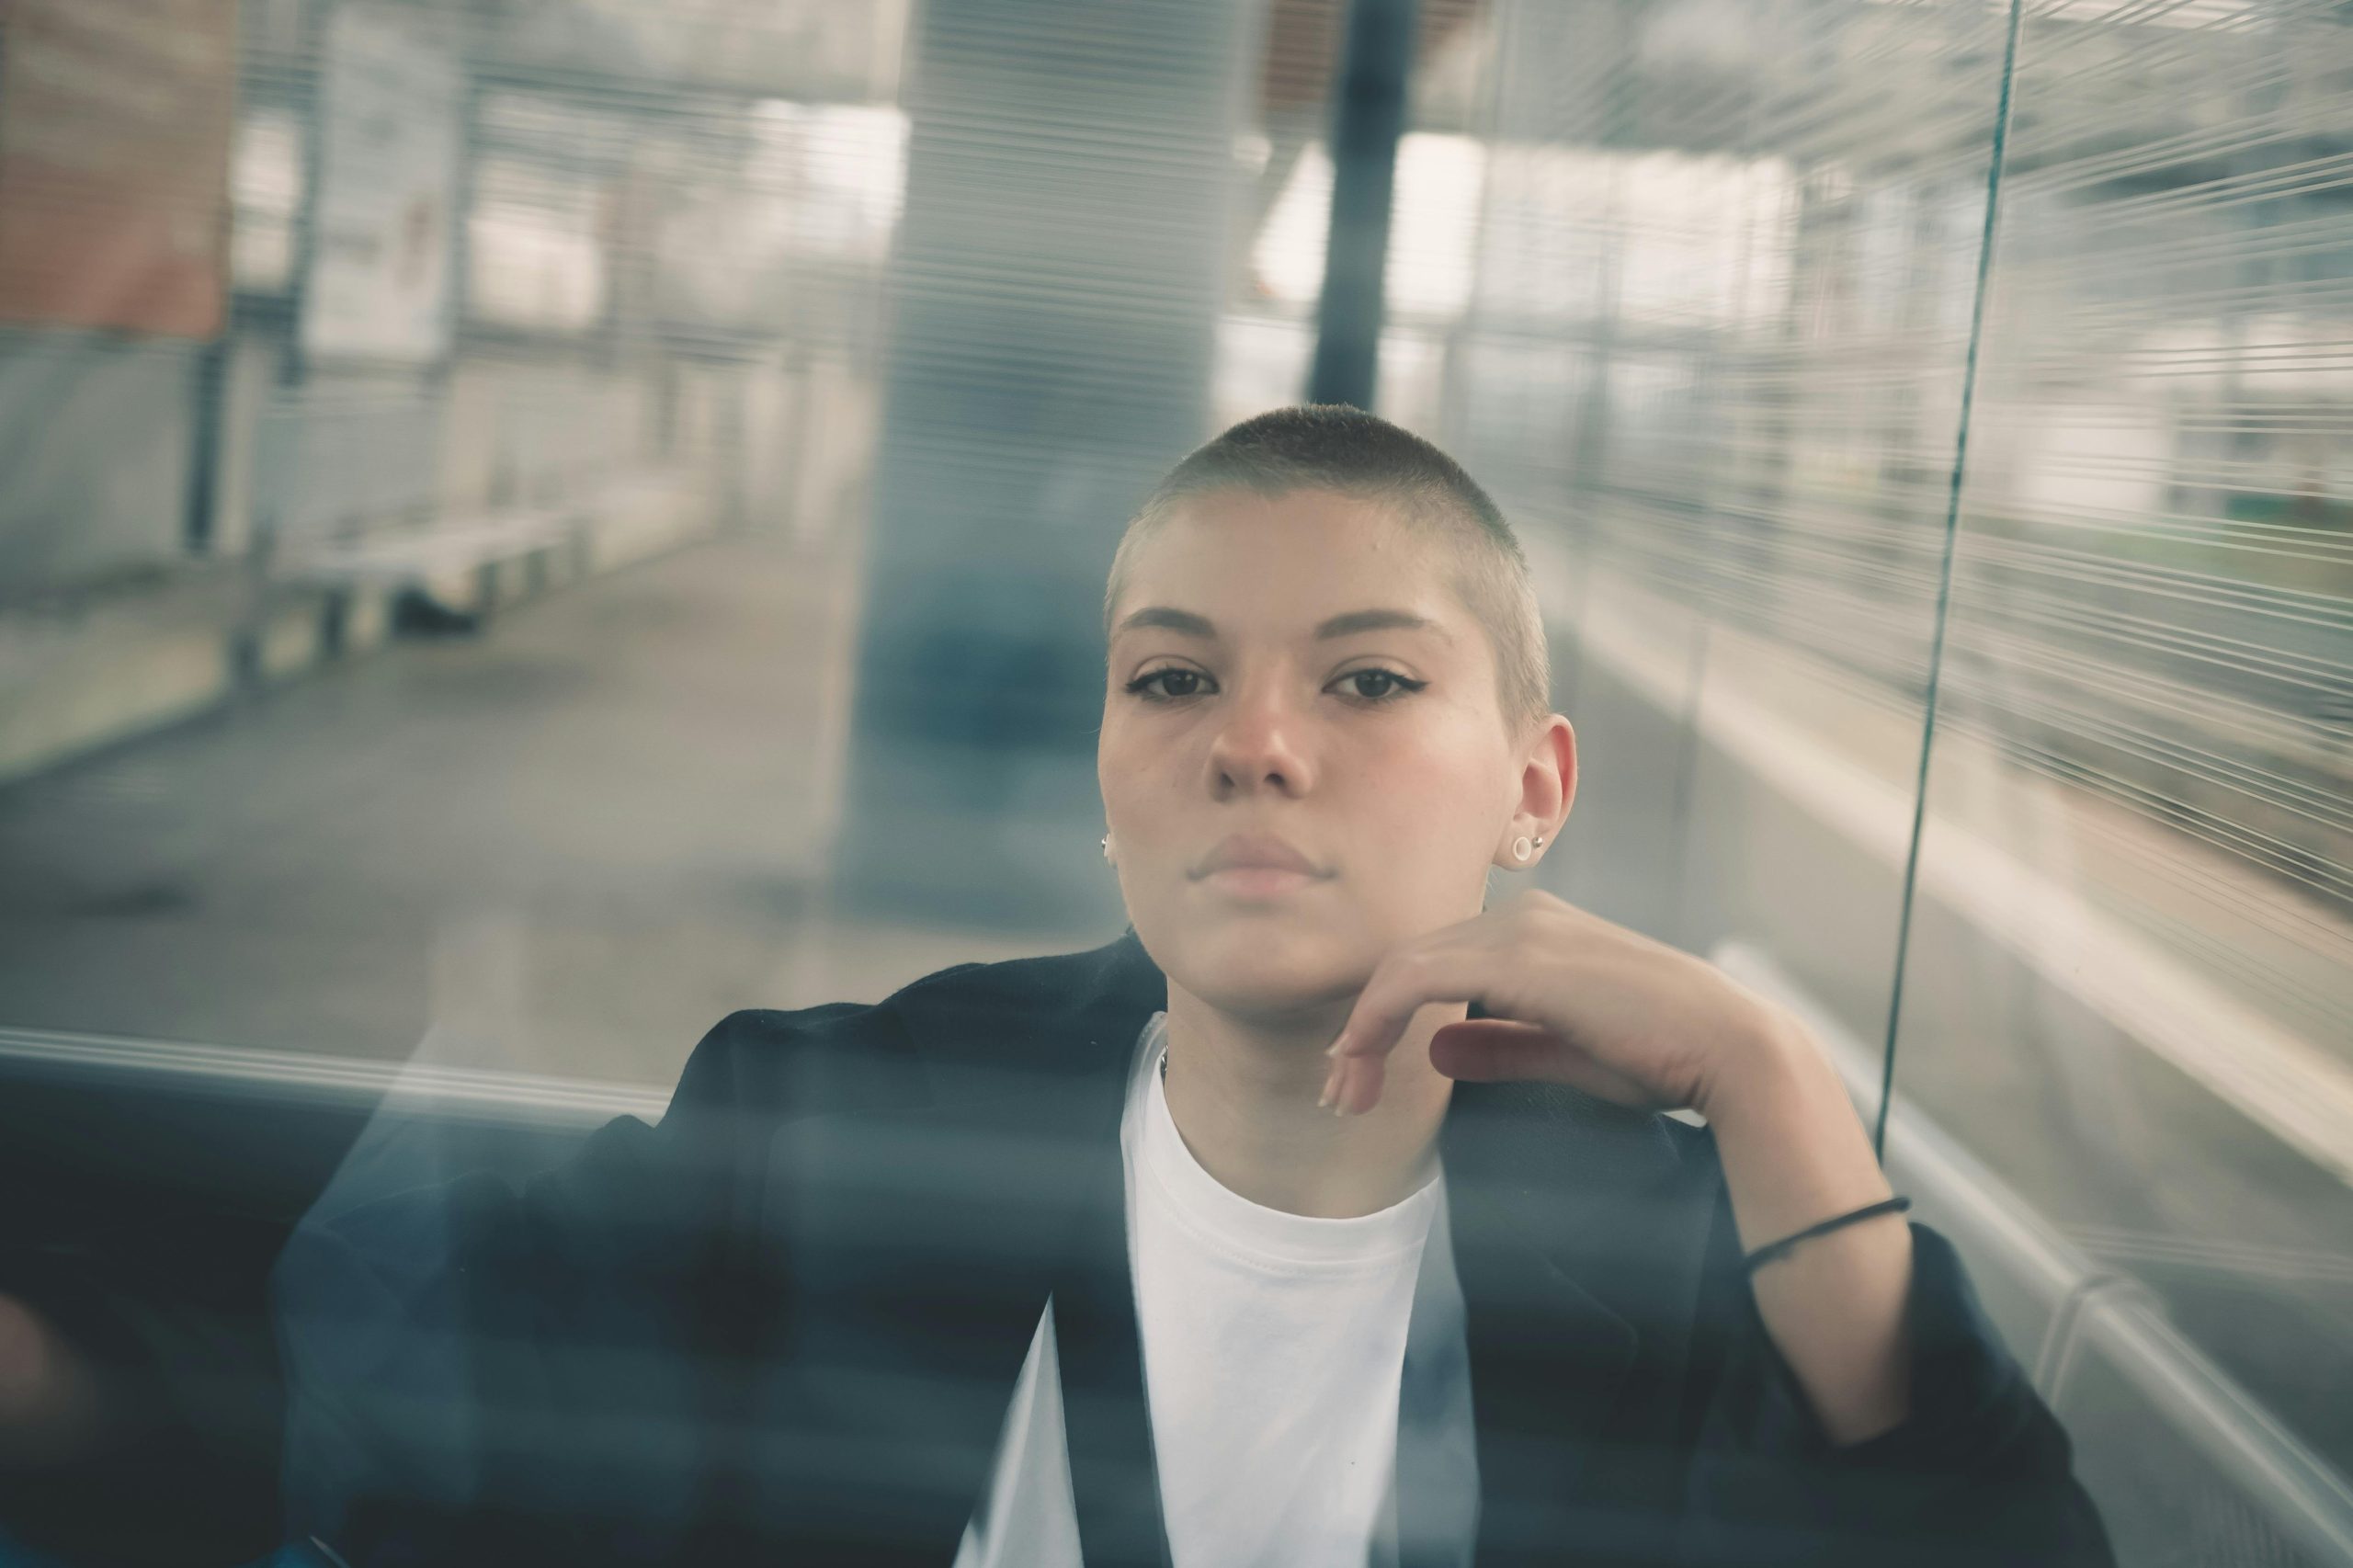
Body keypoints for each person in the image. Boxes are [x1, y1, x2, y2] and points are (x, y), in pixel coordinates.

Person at [273, 405, 2116, 1568]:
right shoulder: (827, 1122)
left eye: (1367, 683)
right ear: (1102, 762)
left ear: (1532, 788)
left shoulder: (1682, 1244)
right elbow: (393, 1428)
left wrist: (1765, 1079)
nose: (1250, 745)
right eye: (1169, 681)